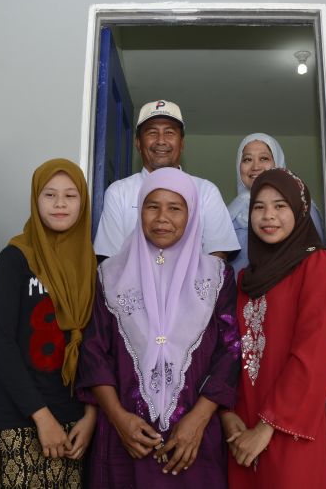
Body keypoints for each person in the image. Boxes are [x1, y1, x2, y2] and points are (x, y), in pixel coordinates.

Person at [78, 167, 242, 488]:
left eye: (175, 208)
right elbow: (94, 351)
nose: (162, 217)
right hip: (126, 439)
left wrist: (198, 420)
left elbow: (230, 352)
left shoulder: (217, 277)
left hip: (193, 440)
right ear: (140, 211)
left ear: (191, 214)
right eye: (152, 206)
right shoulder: (109, 275)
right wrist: (118, 418)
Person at [221, 168, 326, 488]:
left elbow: (313, 355)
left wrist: (266, 428)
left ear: (300, 211)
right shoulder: (245, 279)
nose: (268, 216)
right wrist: (227, 414)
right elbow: (230, 350)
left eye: (280, 206)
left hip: (291, 429)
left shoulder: (318, 265)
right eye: (259, 207)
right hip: (242, 431)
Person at [0, 159, 97, 488]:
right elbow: (1, 345)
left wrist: (91, 416)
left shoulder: (91, 265)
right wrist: (42, 416)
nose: (60, 203)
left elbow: (98, 349)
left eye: (70, 195)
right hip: (19, 417)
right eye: (49, 195)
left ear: (83, 203)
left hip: (76, 423)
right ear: (35, 199)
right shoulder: (15, 258)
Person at [94, 99, 239, 259]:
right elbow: (109, 260)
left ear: (182, 143)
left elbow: (218, 255)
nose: (161, 140)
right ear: (138, 143)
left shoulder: (206, 191)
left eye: (169, 132)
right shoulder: (118, 192)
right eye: (152, 132)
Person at [226, 133, 325, 276]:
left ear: (277, 162)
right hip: (239, 287)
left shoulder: (300, 205)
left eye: (264, 158)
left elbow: (314, 259)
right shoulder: (228, 213)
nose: (255, 166)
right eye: (247, 159)